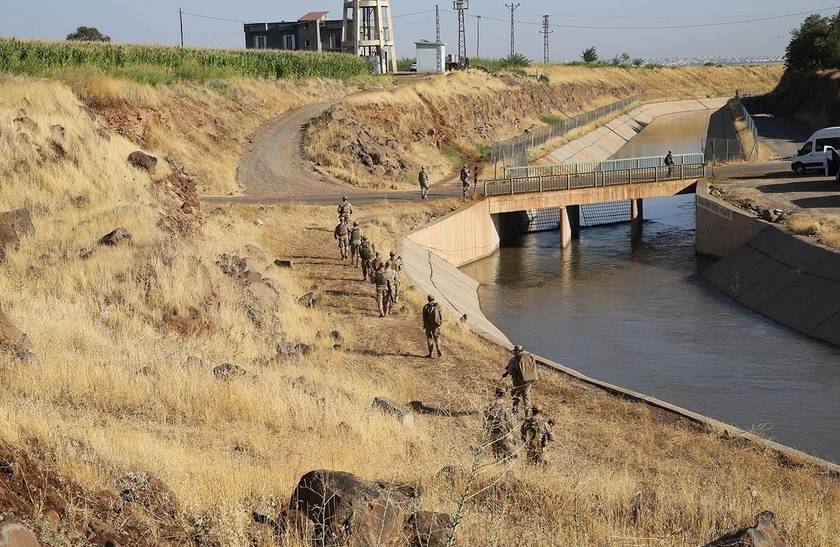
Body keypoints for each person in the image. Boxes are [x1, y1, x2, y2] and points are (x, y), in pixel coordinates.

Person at [500, 345, 539, 417]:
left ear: (517, 351)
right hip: (527, 382)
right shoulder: (528, 358)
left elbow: (510, 370)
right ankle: (528, 414)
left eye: (515, 351)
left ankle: (515, 413)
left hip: (517, 382)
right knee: (527, 398)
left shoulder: (513, 360)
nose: (514, 352)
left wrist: (504, 374)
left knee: (516, 397)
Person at [483, 388, 516, 461]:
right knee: (510, 456)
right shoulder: (504, 407)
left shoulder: (490, 406)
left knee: (498, 457)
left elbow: (485, 421)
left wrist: (488, 432)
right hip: (504, 434)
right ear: (504, 395)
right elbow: (509, 422)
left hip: (493, 434)